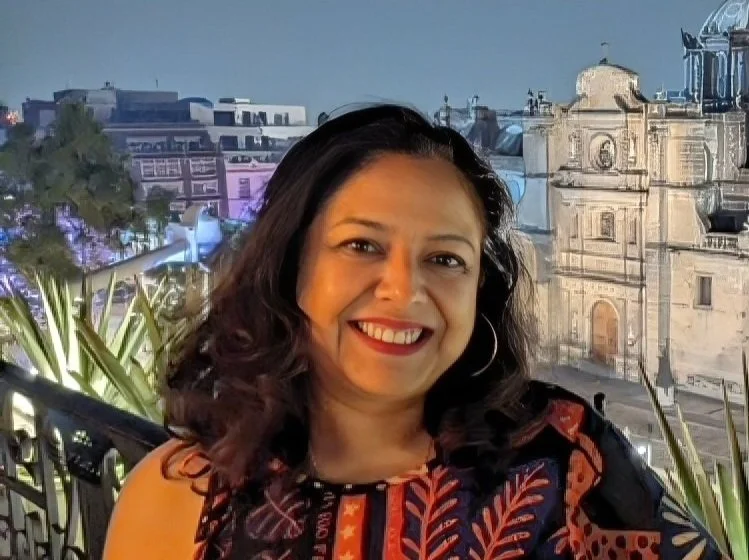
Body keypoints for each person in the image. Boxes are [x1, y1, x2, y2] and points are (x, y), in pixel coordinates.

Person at [104, 105, 724, 560]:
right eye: (362, 245)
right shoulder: (178, 497)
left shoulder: (569, 457)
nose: (404, 291)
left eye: (446, 258)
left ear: (480, 288)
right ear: (290, 265)